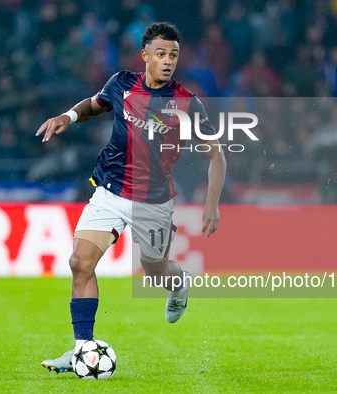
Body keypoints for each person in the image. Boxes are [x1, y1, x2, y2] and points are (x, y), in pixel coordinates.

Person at [37, 22, 226, 374]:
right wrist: (68, 116)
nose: (167, 61)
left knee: (156, 272)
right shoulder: (121, 83)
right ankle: (82, 349)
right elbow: (95, 104)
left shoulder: (186, 103)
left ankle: (178, 283)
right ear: (145, 56)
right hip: (109, 189)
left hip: (153, 201)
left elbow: (216, 154)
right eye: (160, 54)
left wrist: (211, 203)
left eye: (173, 55)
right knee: (80, 263)